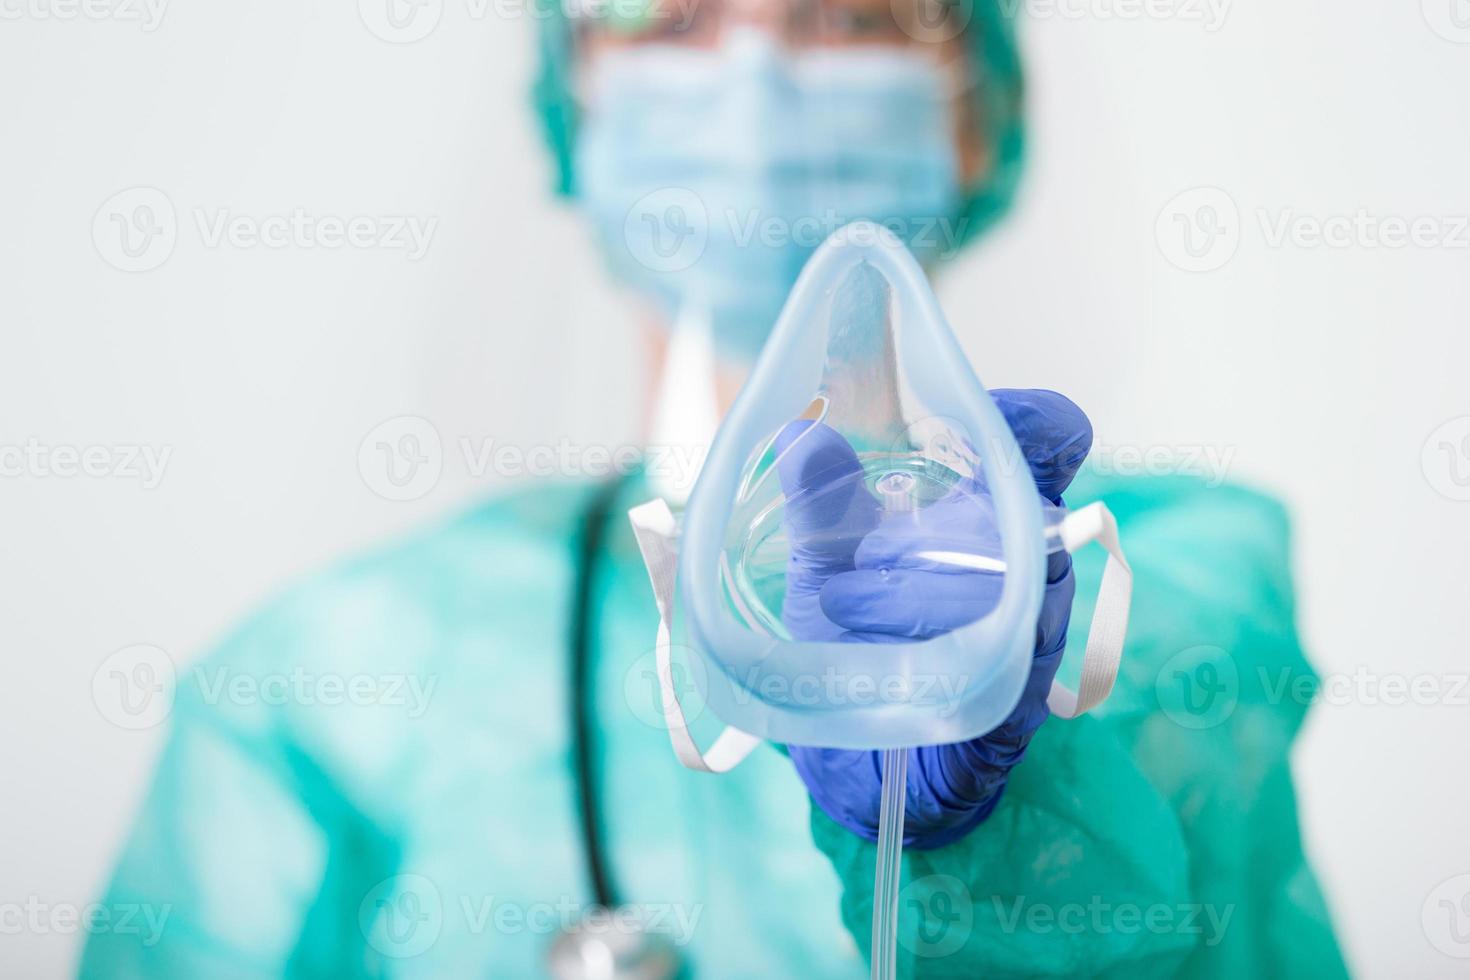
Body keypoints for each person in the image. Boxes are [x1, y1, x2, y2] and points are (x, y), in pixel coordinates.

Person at [81, 0, 1349, 976]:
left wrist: (994, 824)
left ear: (978, 116)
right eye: (676, 18)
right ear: (575, 109)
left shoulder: (1163, 608)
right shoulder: (338, 682)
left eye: (853, 14)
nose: (757, 80)